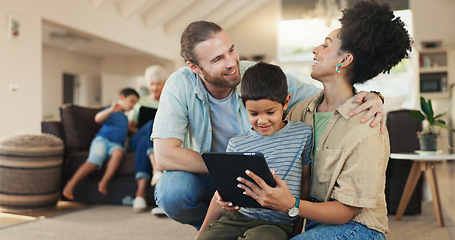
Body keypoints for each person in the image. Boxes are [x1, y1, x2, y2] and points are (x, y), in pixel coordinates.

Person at [151, 20, 385, 229]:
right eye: (218, 59)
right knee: (173, 191)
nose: (232, 62)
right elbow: (165, 156)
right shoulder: (179, 85)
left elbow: (328, 95)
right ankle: (222, 225)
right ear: (195, 68)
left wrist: (373, 95)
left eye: (231, 50)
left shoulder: (257, 75)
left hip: (263, 177)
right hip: (213, 173)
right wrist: (231, 166)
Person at [222, 1, 412, 239]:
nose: (315, 49)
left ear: (345, 60)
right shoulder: (302, 111)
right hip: (312, 225)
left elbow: (346, 212)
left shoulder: (368, 126)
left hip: (358, 228)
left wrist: (291, 203)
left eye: (325, 45)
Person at [196, 62, 313, 240]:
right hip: (236, 218)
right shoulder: (237, 143)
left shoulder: (303, 134)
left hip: (275, 224)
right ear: (244, 107)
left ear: (286, 102)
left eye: (270, 112)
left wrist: (297, 228)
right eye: (254, 114)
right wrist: (200, 235)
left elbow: (305, 181)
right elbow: (222, 192)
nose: (262, 121)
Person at [63, 87, 139, 200]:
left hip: (116, 144)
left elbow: (127, 131)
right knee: (95, 160)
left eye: (135, 103)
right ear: (121, 98)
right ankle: (71, 184)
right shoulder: (110, 111)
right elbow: (97, 119)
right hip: (102, 140)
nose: (132, 105)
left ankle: (104, 182)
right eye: (131, 101)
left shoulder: (125, 118)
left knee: (118, 153)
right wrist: (110, 111)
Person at [128, 65, 168, 213]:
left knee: (145, 139)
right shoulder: (141, 103)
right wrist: (147, 130)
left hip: (148, 142)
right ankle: (156, 169)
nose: (155, 87)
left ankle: (140, 194)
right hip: (136, 137)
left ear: (164, 83)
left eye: (158, 83)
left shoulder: (169, 102)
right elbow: (131, 128)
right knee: (151, 125)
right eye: (152, 84)